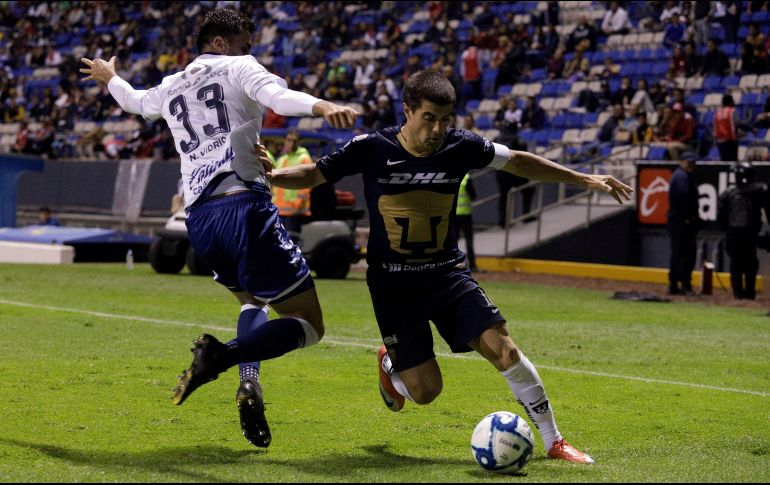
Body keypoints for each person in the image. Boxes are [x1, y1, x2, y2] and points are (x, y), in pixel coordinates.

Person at [265, 69, 633, 464]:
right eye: (429, 118)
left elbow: (519, 162)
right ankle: (390, 363)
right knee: (425, 392)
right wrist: (270, 175)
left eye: (445, 119)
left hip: (446, 274)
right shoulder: (371, 147)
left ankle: (553, 441)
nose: (438, 129)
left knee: (504, 350)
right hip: (394, 286)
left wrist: (585, 178)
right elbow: (313, 174)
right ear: (407, 111)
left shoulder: (461, 147)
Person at [79, 8, 359, 449]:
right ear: (221, 43)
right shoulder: (238, 65)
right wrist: (322, 106)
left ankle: (251, 383)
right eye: (246, 41)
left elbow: (133, 102)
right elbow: (277, 98)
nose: (252, 50)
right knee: (308, 323)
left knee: (252, 299)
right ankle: (224, 357)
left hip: (201, 222)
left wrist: (109, 76)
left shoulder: (171, 84)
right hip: (243, 206)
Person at [718, 163, 770, 299]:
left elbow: (721, 217)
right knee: (747, 263)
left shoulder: (729, 194)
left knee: (739, 263)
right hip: (747, 233)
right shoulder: (758, 190)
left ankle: (739, 293)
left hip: (736, 234)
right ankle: (746, 292)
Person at [667, 154, 701, 295]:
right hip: (682, 221)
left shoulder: (680, 175)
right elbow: (683, 197)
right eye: (689, 162)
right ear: (682, 162)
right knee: (685, 253)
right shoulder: (681, 177)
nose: (691, 165)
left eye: (693, 162)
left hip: (679, 220)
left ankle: (675, 283)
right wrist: (688, 218)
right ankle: (683, 284)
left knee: (679, 252)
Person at [272, 129, 314, 233]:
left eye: (294, 141)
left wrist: (298, 205)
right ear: (284, 141)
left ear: (299, 142)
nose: (291, 143)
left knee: (292, 243)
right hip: (278, 210)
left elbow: (307, 184)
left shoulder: (304, 158)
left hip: (294, 211)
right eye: (289, 140)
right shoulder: (282, 159)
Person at [455, 173, 478, 272]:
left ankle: (453, 262)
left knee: (453, 240)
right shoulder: (466, 178)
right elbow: (473, 195)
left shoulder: (451, 174)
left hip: (454, 214)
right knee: (469, 238)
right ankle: (472, 265)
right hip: (465, 214)